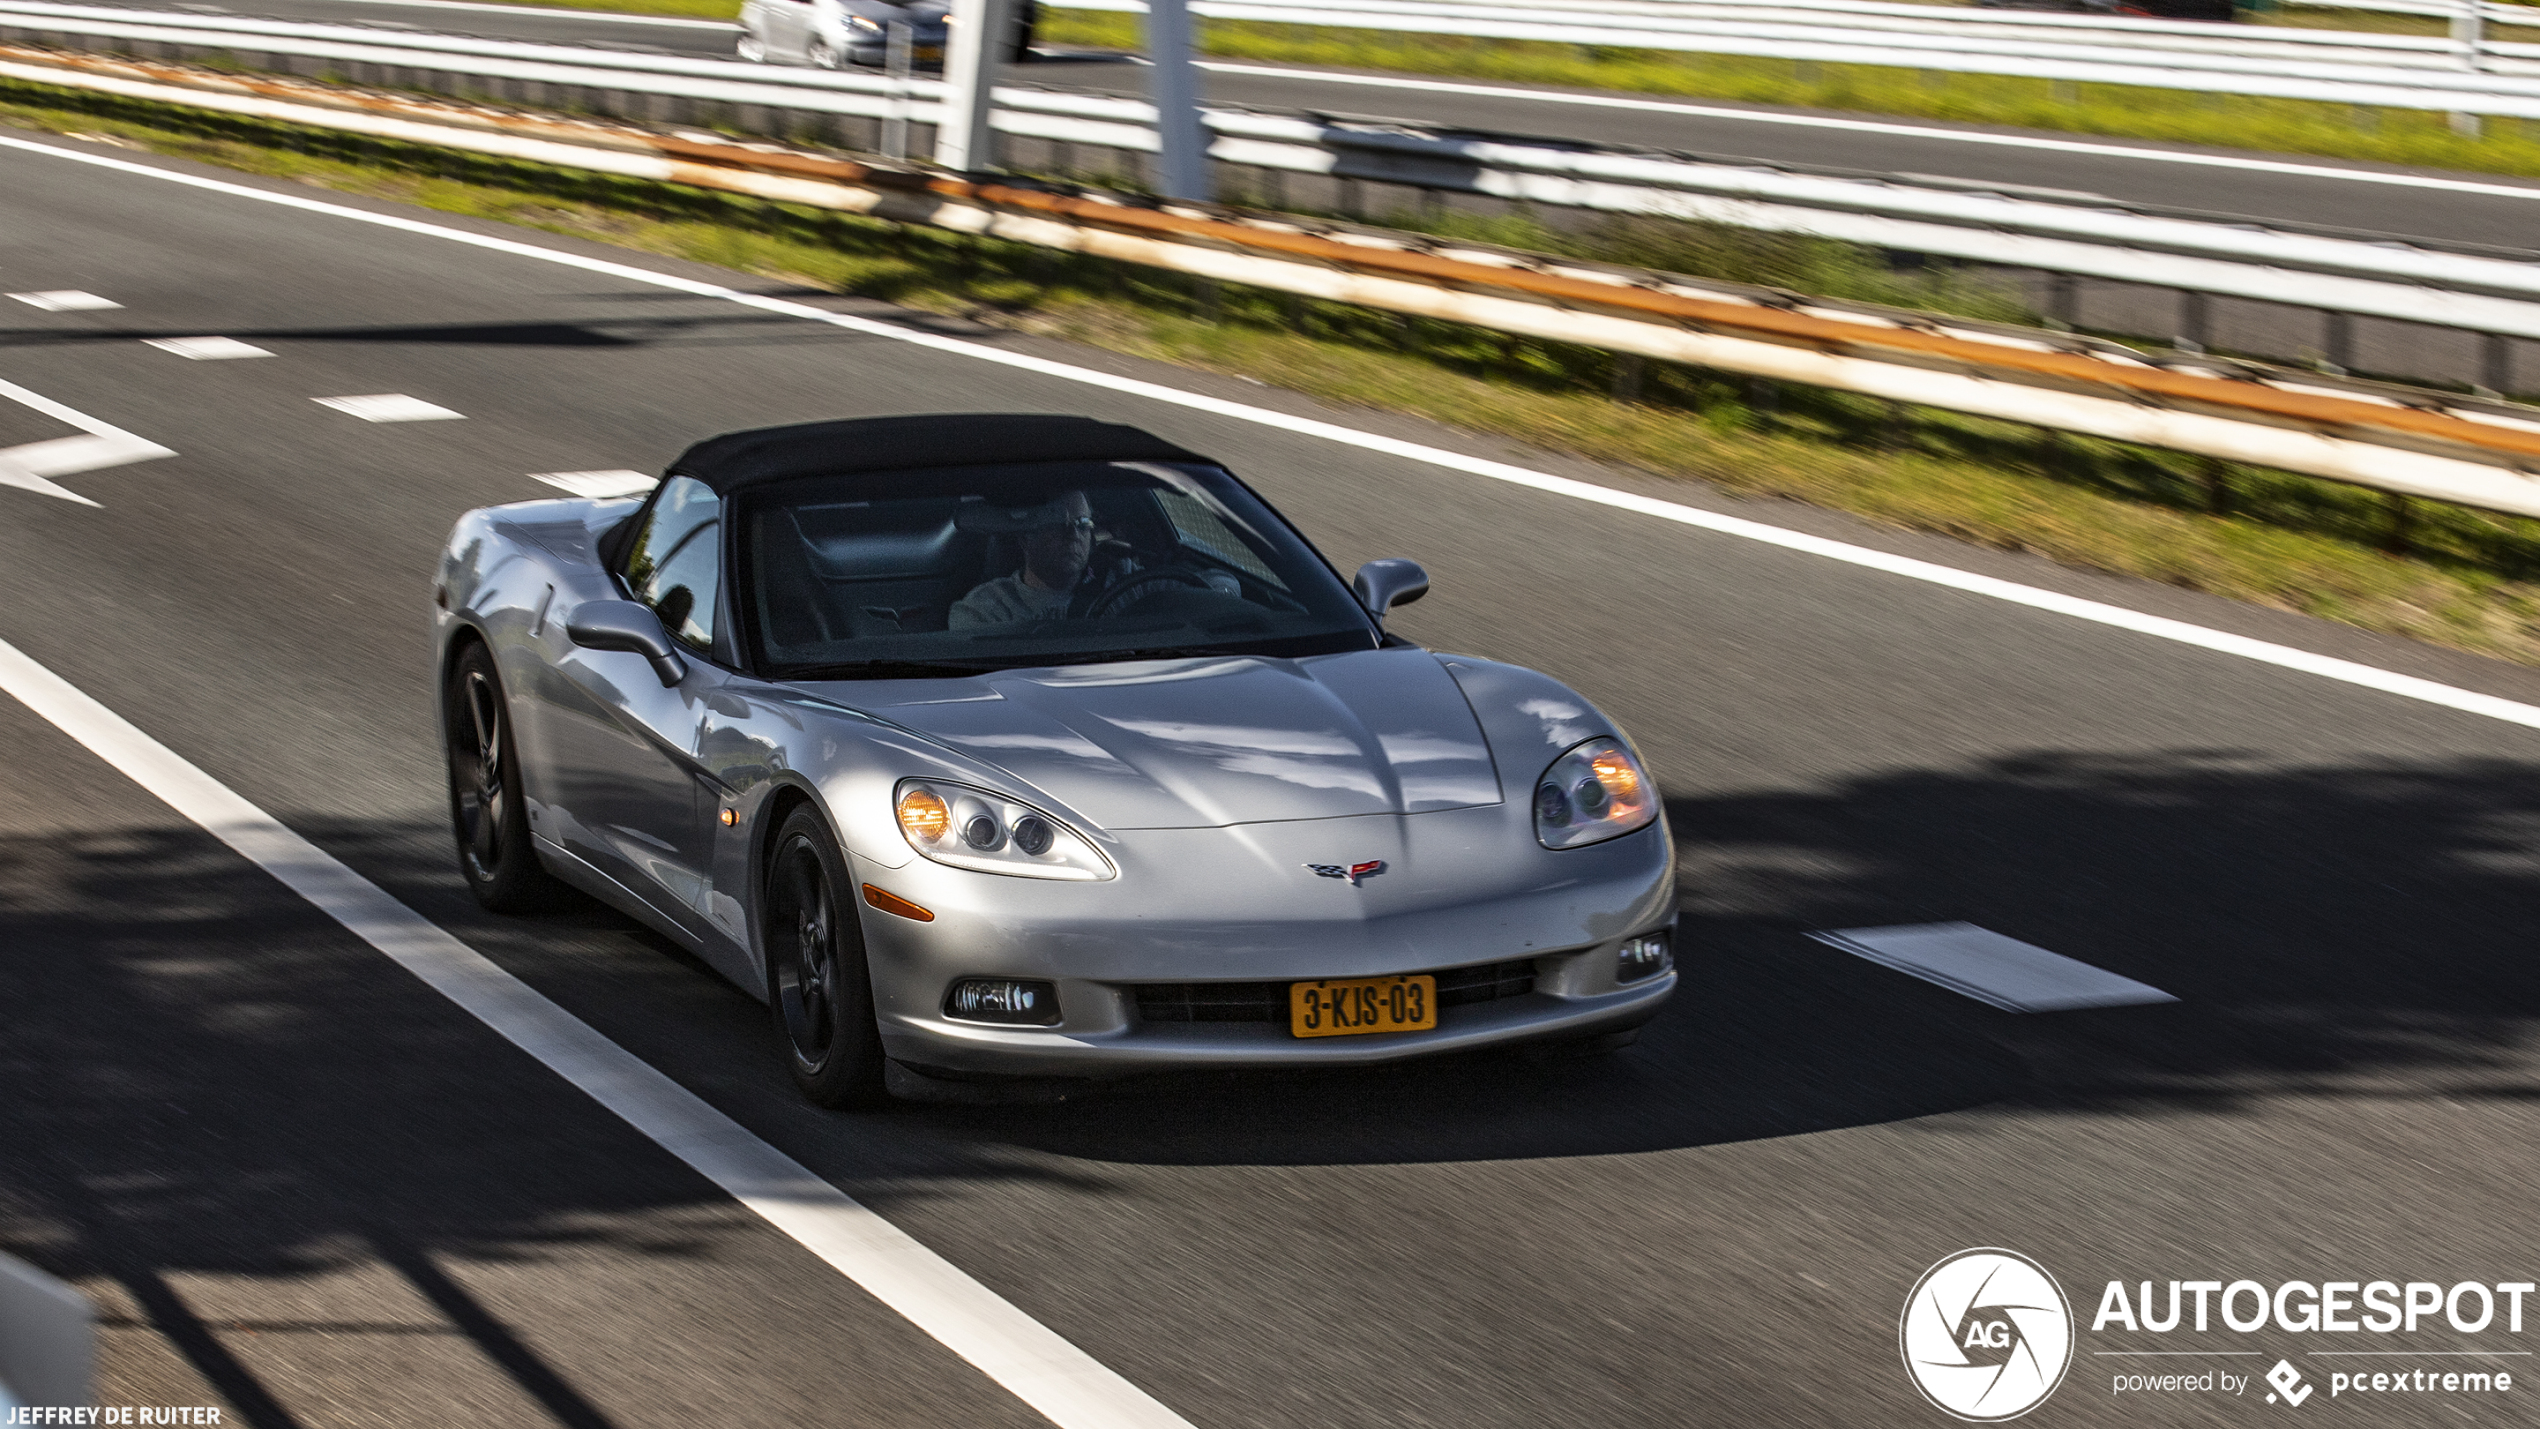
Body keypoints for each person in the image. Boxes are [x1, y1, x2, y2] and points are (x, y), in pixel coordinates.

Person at [948, 491, 1095, 629]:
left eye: (1083, 524)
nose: (1074, 535)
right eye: (1058, 525)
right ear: (1025, 538)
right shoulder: (984, 610)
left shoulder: (1114, 587)